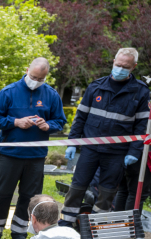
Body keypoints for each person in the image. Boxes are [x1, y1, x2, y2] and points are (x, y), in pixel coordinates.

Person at [59, 48, 150, 226]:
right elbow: (80, 118)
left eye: (126, 66)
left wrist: (134, 151)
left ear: (134, 67)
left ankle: (95, 226)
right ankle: (66, 224)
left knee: (107, 192)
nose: (120, 69)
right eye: (118, 65)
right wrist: (72, 143)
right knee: (77, 187)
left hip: (117, 153)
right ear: (113, 61)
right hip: (90, 149)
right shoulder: (96, 86)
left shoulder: (140, 92)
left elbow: (141, 126)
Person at [0, 58, 67, 239]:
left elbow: (60, 121)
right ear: (27, 69)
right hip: (10, 154)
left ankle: (19, 233)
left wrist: (48, 125)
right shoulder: (8, 92)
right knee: (1, 195)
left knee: (29, 198)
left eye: (40, 78)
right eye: (33, 76)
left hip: (36, 156)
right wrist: (15, 122)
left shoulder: (51, 95)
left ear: (46, 77)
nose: (35, 81)